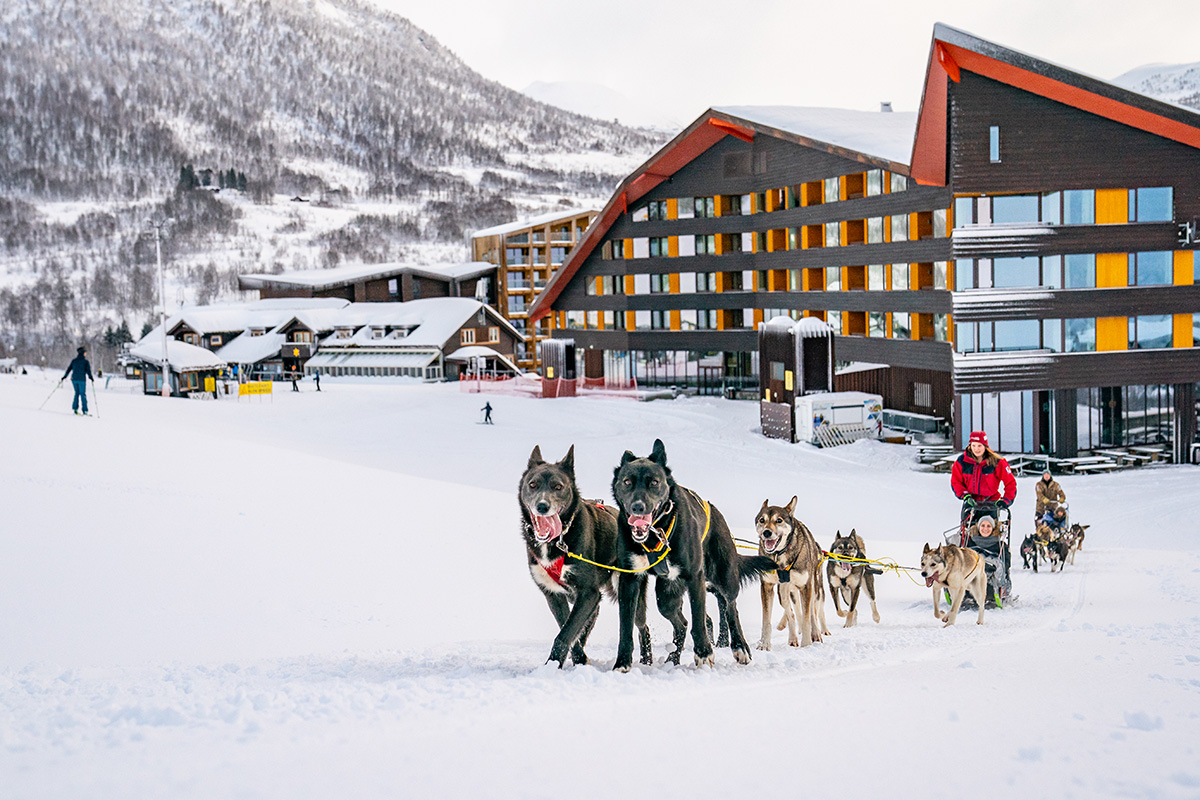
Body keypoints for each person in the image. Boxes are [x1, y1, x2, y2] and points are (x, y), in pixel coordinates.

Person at [951, 430, 1017, 524]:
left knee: (989, 532)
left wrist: (1005, 500)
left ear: (985, 446)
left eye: (979, 446)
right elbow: (956, 481)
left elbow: (1011, 483)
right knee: (968, 533)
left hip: (991, 503)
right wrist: (965, 495)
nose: (976, 449)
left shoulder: (997, 462)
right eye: (973, 445)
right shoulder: (962, 461)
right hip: (971, 503)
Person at [61, 346, 94, 415]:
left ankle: (75, 408)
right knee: (82, 394)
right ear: (83, 353)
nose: (86, 354)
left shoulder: (74, 361)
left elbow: (69, 369)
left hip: (74, 379)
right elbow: (88, 371)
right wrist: (91, 377)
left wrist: (65, 376)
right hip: (81, 380)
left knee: (76, 393)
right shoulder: (85, 362)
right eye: (85, 352)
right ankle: (85, 410)